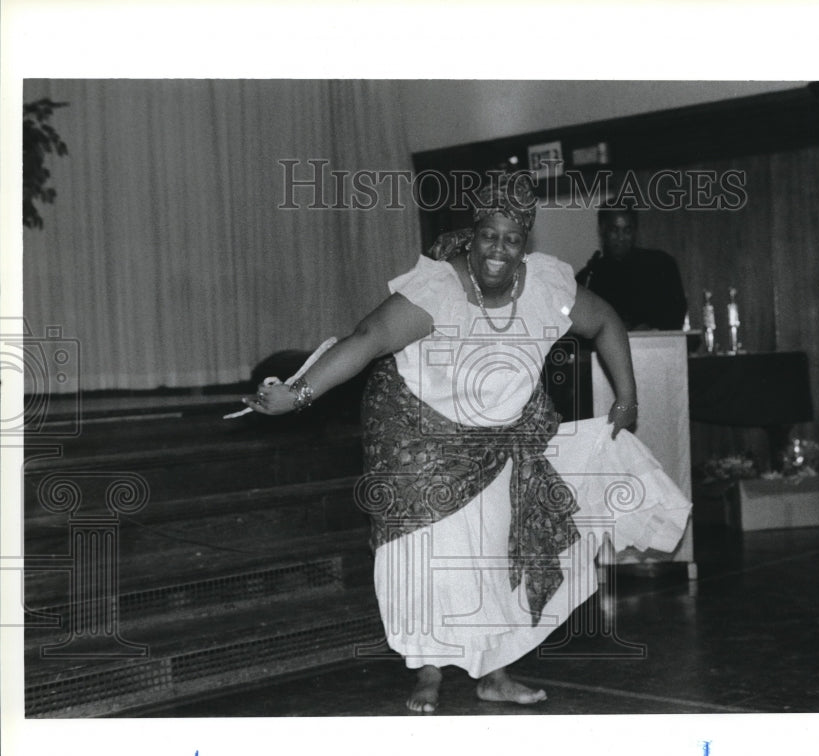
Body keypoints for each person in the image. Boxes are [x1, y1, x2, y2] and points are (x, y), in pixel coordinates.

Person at [242, 172, 690, 712]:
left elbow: (605, 322)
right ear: (473, 236)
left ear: (524, 245)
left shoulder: (547, 286)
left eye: (512, 239)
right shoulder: (437, 292)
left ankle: (492, 673)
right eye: (488, 236)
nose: (498, 249)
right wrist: (297, 394)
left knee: (496, 552)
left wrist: (628, 395)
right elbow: (365, 340)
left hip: (500, 438)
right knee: (428, 553)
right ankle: (427, 673)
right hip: (422, 437)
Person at [577, 201, 687, 330]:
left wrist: (650, 327)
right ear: (602, 230)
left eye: (627, 230)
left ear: (635, 231)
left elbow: (676, 313)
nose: (621, 237)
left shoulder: (660, 265)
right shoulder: (588, 277)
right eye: (614, 230)